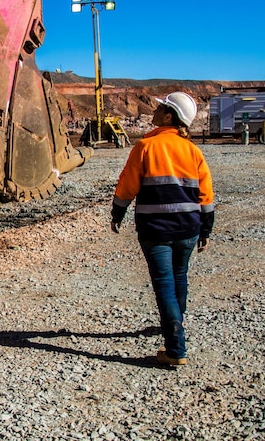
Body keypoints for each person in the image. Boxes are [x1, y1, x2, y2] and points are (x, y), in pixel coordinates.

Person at [110, 91, 215, 366]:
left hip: (155, 229)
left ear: (169, 116)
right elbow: (205, 193)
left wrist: (117, 212)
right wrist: (206, 228)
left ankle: (175, 348)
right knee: (179, 277)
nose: (153, 112)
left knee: (164, 283)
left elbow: (127, 185)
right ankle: (174, 323)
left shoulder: (146, 146)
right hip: (188, 229)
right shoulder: (193, 150)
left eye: (159, 109)